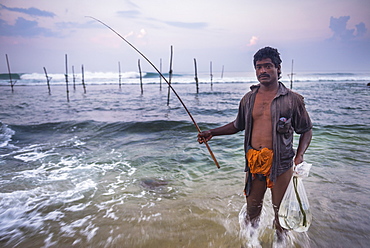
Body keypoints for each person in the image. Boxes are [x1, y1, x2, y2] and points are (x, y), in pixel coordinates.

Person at [198, 47, 312, 238]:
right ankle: (251, 242)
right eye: (259, 67)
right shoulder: (248, 99)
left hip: (281, 164)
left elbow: (306, 130)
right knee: (252, 211)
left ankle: (280, 243)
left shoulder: (292, 100)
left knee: (281, 216)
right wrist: (212, 132)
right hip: (254, 163)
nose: (263, 71)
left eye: (268, 66)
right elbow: (237, 125)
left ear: (278, 68)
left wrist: (299, 156)